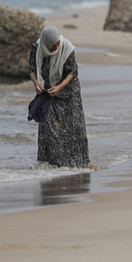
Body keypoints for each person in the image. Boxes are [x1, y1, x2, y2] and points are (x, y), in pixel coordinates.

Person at [28, 26, 91, 168]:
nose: (56, 47)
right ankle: (51, 162)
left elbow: (73, 71)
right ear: (45, 44)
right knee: (48, 125)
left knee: (74, 125)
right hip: (50, 90)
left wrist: (60, 87)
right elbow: (32, 68)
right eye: (52, 46)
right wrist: (36, 83)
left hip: (69, 89)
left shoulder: (67, 48)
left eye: (57, 44)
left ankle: (82, 161)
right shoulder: (37, 49)